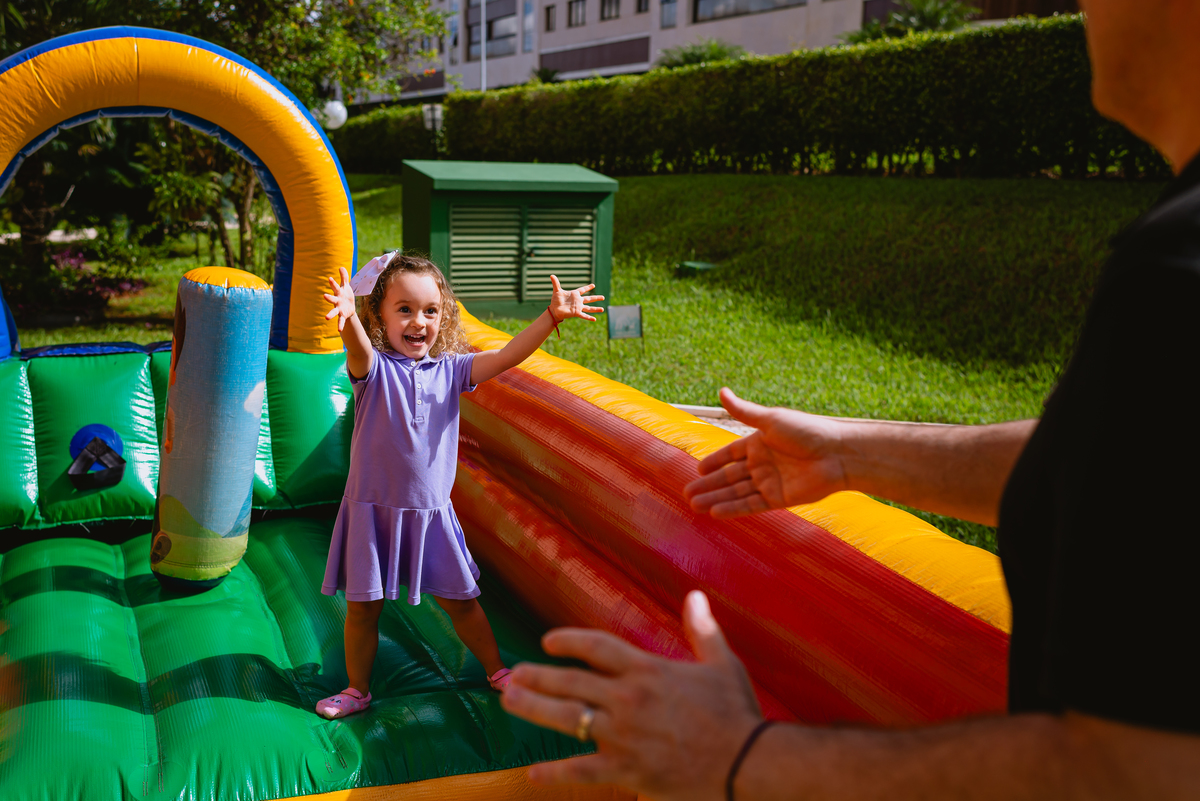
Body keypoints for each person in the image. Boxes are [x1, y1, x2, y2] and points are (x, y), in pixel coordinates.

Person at [499, 0, 1200, 796]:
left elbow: (1139, 773)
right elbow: (1142, 471)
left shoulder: (1179, 273)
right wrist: (851, 451)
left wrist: (735, 760)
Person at [316, 251, 603, 719]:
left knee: (462, 603)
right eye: (404, 309)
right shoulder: (373, 372)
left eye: (430, 310)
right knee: (363, 610)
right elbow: (358, 350)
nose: (418, 321)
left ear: (442, 315)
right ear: (379, 316)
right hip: (373, 512)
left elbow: (508, 357)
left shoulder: (451, 372)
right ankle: (356, 690)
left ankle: (496, 671)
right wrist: (347, 316)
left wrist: (551, 316)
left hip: (429, 515)